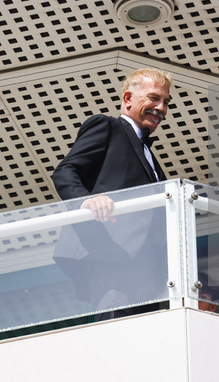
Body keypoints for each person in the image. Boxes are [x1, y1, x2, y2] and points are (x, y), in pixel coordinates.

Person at [51, 68, 172, 319]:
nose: (161, 108)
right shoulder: (107, 126)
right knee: (117, 330)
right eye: (153, 98)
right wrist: (87, 200)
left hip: (147, 268)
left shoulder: (149, 153)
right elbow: (66, 171)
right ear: (128, 99)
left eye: (166, 102)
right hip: (111, 254)